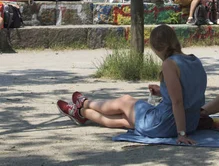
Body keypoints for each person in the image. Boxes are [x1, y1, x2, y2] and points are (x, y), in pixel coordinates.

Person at [56, 25, 207, 144]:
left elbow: (178, 101)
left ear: (157, 48)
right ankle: (81, 113)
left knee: (125, 101)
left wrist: (181, 134)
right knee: (125, 119)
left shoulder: (169, 63)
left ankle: (86, 103)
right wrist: (163, 91)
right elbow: (188, 92)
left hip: (166, 123)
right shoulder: (195, 61)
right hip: (189, 122)